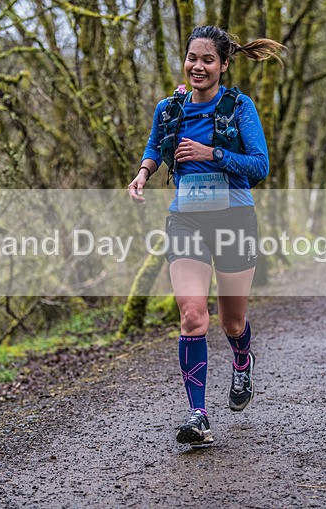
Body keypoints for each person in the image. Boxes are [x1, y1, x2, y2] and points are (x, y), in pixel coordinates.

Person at [128, 26, 284, 446]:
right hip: (186, 220)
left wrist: (211, 153)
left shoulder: (238, 106)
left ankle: (242, 361)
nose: (198, 66)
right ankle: (198, 415)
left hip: (234, 219)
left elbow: (260, 166)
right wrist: (143, 174)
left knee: (232, 322)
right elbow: (155, 146)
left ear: (224, 65)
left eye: (208, 60)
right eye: (192, 58)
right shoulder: (169, 108)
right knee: (193, 315)